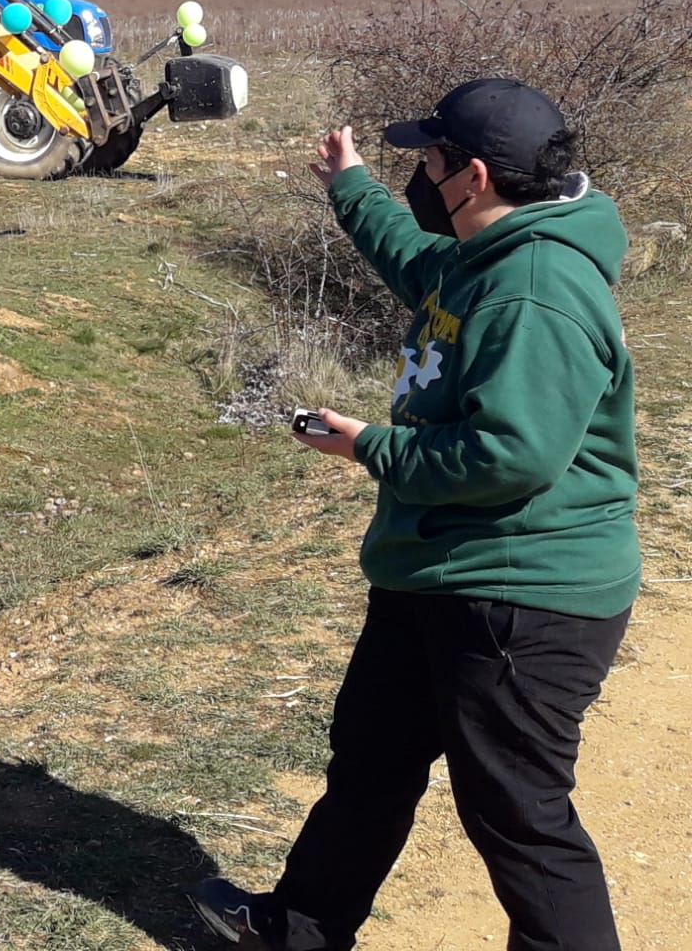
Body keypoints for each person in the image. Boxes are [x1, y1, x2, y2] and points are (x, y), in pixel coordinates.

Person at [189, 78, 641, 951]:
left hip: (523, 595)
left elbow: (509, 458)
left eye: (427, 161)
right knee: (371, 764)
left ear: (470, 176)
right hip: (437, 568)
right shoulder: (481, 256)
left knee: (519, 817)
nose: (420, 176)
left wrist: (372, 447)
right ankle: (301, 928)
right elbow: (414, 261)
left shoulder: (535, 290)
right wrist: (349, 185)